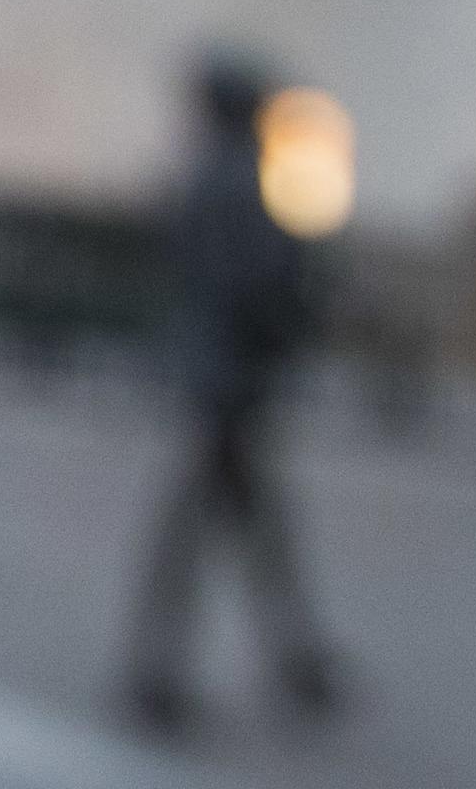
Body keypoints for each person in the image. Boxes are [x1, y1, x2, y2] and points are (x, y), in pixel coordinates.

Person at [116, 49, 347, 734]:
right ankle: (173, 671)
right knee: (212, 529)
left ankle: (287, 659)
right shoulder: (245, 179)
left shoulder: (207, 174)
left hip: (214, 376)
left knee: (232, 525)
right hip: (233, 381)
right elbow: (266, 284)